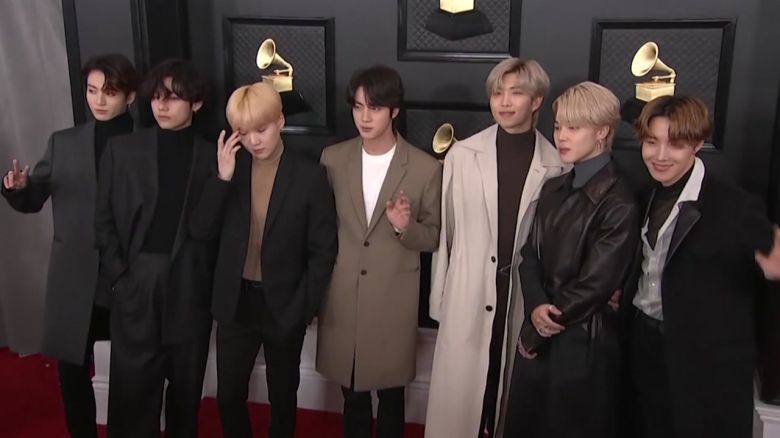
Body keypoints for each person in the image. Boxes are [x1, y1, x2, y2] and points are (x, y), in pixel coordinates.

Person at [425, 58, 568, 438]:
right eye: (497, 93)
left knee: (511, 397)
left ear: (536, 101)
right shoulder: (462, 155)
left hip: (523, 295)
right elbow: (447, 234)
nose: (504, 102)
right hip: (468, 292)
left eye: (516, 93)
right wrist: (441, 299)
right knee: (461, 402)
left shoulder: (558, 164)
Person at [624, 95, 780, 438]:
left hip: (704, 364)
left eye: (675, 144)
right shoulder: (643, 195)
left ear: (696, 144)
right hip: (643, 348)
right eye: (652, 142)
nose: (660, 155)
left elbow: (773, 266)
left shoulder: (735, 205)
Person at [189, 82, 337, 438]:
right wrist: (222, 179)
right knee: (228, 396)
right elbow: (200, 230)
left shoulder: (310, 175)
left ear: (280, 121)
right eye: (243, 132)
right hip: (235, 302)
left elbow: (323, 250)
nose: (254, 140)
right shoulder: (230, 168)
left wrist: (303, 307)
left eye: (261, 129)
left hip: (284, 305)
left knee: (282, 397)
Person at [1, 53, 138, 438]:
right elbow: (33, 200)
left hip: (127, 275)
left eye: (109, 92)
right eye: (92, 91)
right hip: (75, 276)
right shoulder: (64, 143)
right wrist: (18, 188)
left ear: (130, 96)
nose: (99, 100)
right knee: (72, 370)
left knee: (131, 371)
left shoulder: (147, 142)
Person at [503, 81, 639, 438]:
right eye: (559, 126)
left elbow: (595, 284)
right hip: (540, 330)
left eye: (573, 128)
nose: (561, 136)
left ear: (602, 132)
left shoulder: (619, 201)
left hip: (582, 345)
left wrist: (539, 329)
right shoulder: (553, 187)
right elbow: (528, 256)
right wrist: (535, 307)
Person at [316, 65, 441, 438]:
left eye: (374, 107)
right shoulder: (332, 158)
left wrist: (404, 226)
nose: (364, 117)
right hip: (343, 294)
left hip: (393, 298)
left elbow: (433, 237)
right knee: (352, 394)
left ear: (394, 110)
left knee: (391, 395)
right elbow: (320, 229)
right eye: (358, 107)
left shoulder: (424, 167)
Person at [95, 59, 216, 438]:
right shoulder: (122, 150)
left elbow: (214, 230)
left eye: (173, 98)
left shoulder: (213, 155)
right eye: (156, 97)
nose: (161, 106)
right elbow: (102, 221)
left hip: (190, 287)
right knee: (132, 394)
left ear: (196, 103)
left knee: (186, 393)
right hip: (137, 281)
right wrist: (121, 277)